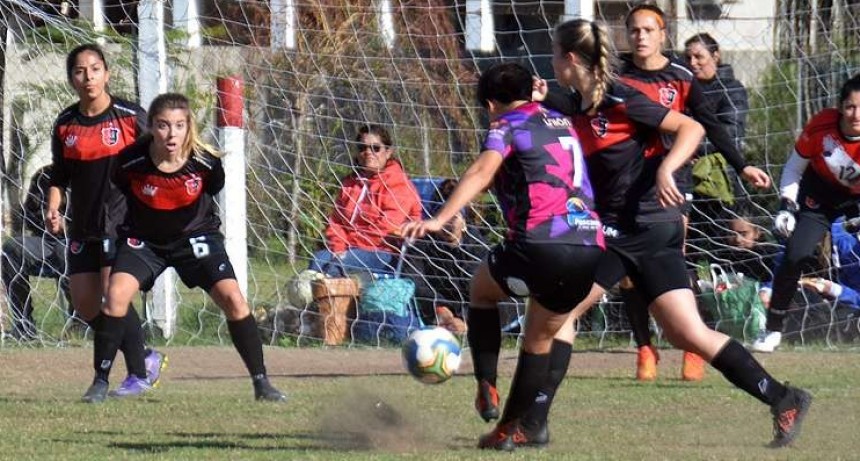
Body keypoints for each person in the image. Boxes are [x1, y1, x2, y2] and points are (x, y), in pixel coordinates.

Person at [533, 18, 811, 449]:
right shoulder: (581, 101)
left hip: (637, 226)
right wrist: (527, 90)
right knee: (689, 334)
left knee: (562, 312)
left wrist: (666, 168)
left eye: (554, 54)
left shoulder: (623, 98)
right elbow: (563, 101)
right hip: (647, 229)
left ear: (570, 59)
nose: (551, 63)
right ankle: (783, 397)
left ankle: (533, 420)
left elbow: (694, 128)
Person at [401, 61, 605, 451]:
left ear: (490, 102)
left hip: (540, 242)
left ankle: (486, 384)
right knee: (538, 342)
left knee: (481, 290)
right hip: (588, 246)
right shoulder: (559, 120)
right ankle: (506, 433)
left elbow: (481, 171)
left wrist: (440, 217)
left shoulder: (506, 124)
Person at [82, 92, 286, 404]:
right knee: (115, 297)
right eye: (163, 126)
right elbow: (122, 193)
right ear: (151, 127)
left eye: (179, 125)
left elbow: (212, 190)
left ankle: (262, 383)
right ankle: (99, 382)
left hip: (195, 239)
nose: (172, 133)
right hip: (145, 242)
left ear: (189, 126)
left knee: (234, 300)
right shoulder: (131, 161)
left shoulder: (205, 163)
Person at [616, 4, 771, 382]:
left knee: (674, 262)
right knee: (626, 272)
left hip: (673, 185)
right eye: (634, 30)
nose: (640, 37)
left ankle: (691, 346)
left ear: (662, 34)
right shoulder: (616, 78)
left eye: (648, 30)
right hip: (621, 187)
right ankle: (645, 347)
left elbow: (712, 126)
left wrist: (742, 165)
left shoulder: (682, 77)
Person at [48, 44, 166, 400]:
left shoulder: (130, 117)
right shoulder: (66, 124)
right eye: (80, 71)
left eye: (95, 69)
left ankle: (136, 373)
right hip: (82, 224)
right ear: (72, 79)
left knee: (113, 292)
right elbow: (59, 175)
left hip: (123, 221)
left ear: (107, 74)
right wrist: (54, 206)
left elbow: (160, 157)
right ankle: (144, 354)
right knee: (86, 303)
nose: (89, 77)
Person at [751, 73, 860, 353]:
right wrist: (786, 205)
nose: (856, 114)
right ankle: (773, 329)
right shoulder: (823, 125)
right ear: (840, 107)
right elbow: (793, 167)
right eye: (850, 106)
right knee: (795, 254)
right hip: (819, 195)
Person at [309, 125, 422, 278]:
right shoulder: (350, 183)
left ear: (388, 152)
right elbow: (336, 222)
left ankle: (331, 299)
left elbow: (386, 228)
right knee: (317, 261)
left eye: (375, 148)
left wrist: (349, 247)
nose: (368, 153)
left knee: (336, 267)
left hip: (384, 252)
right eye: (363, 148)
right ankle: (311, 299)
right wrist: (339, 247)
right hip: (350, 249)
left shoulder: (399, 185)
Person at [1, 165, 69, 340]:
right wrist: (49, 221)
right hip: (48, 242)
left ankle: (82, 321)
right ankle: (24, 325)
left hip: (86, 242)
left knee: (67, 251)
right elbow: (29, 215)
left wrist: (68, 225)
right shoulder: (45, 176)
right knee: (12, 248)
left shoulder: (98, 172)